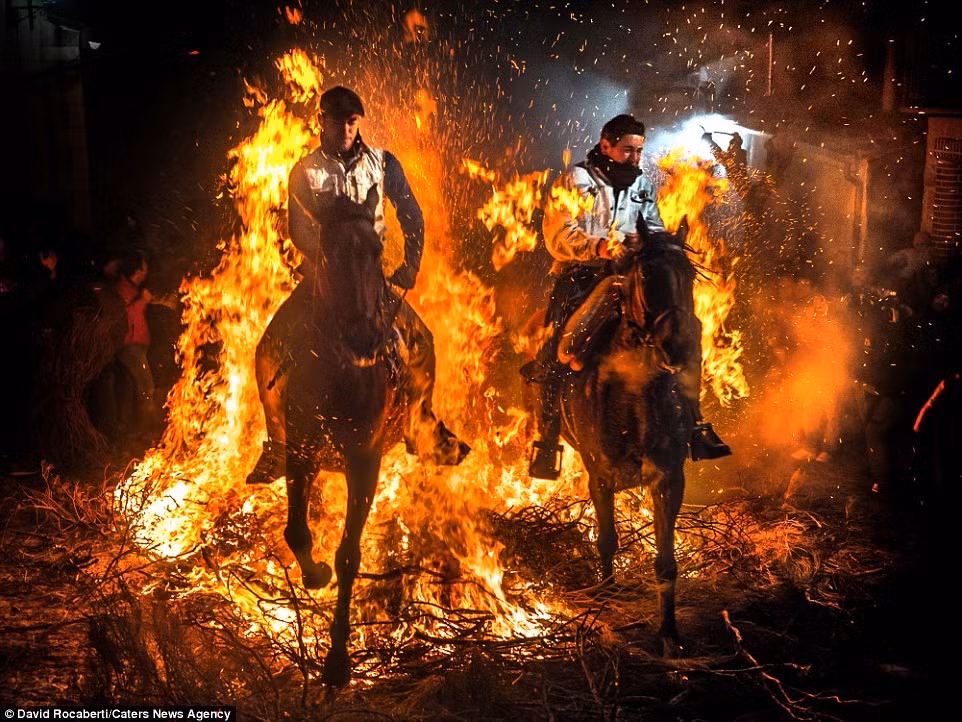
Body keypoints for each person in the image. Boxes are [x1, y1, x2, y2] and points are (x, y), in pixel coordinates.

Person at [247, 86, 467, 484]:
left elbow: (412, 215)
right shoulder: (305, 171)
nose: (346, 129)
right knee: (269, 349)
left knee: (423, 344)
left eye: (352, 122)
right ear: (322, 122)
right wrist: (329, 267)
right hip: (320, 279)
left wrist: (410, 266)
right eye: (338, 121)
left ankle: (420, 425)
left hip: (370, 277)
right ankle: (279, 444)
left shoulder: (383, 163)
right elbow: (298, 230)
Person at [527, 114, 730, 480]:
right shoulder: (576, 180)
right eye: (627, 150)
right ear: (606, 147)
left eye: (639, 150)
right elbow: (558, 232)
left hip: (630, 279)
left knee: (684, 331)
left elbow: (651, 228)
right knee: (554, 349)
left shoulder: (643, 187)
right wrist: (598, 247)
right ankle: (546, 440)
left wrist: (661, 245)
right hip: (582, 277)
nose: (635, 158)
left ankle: (695, 425)